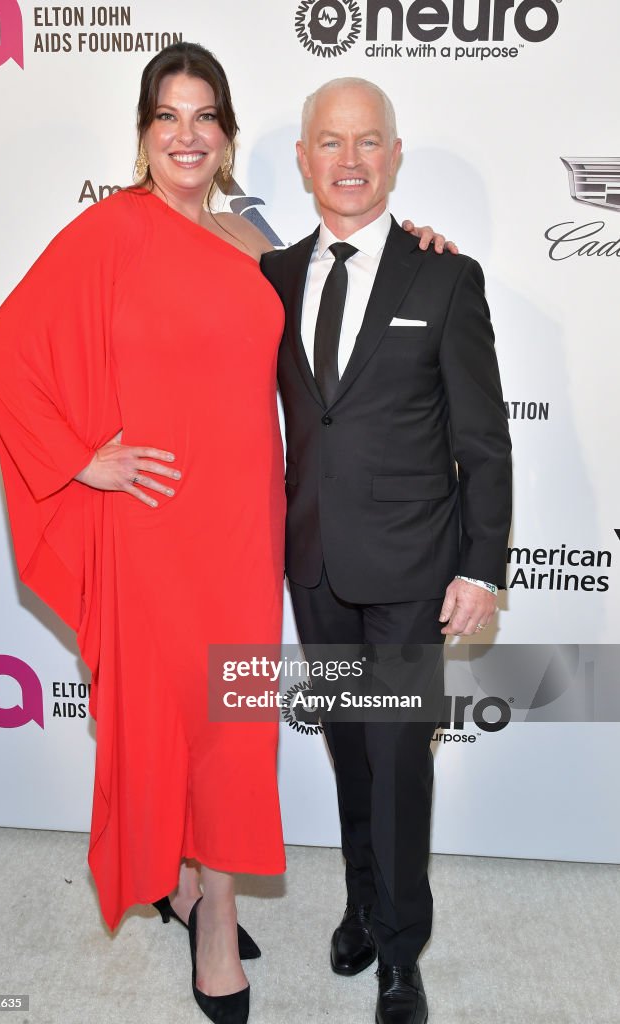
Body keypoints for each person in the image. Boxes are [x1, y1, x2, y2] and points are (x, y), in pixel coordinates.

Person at [0, 45, 453, 1024]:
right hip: (152, 525)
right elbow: (2, 355)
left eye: (204, 117)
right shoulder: (108, 229)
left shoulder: (253, 238)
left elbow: (343, 291)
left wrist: (421, 251)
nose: (186, 134)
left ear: (226, 134)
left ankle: (192, 886)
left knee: (227, 719)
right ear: (145, 134)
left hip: (243, 524)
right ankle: (214, 916)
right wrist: (79, 456)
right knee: (173, 712)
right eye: (166, 116)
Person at [261, 79, 512, 1024]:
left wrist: (481, 567)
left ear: (395, 155)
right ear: (303, 159)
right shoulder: (273, 276)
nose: (351, 160)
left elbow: (483, 438)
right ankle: (362, 902)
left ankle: (401, 953)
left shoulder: (445, 275)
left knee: (401, 758)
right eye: (330, 142)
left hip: (414, 569)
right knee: (349, 754)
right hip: (316, 563)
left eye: (370, 142)